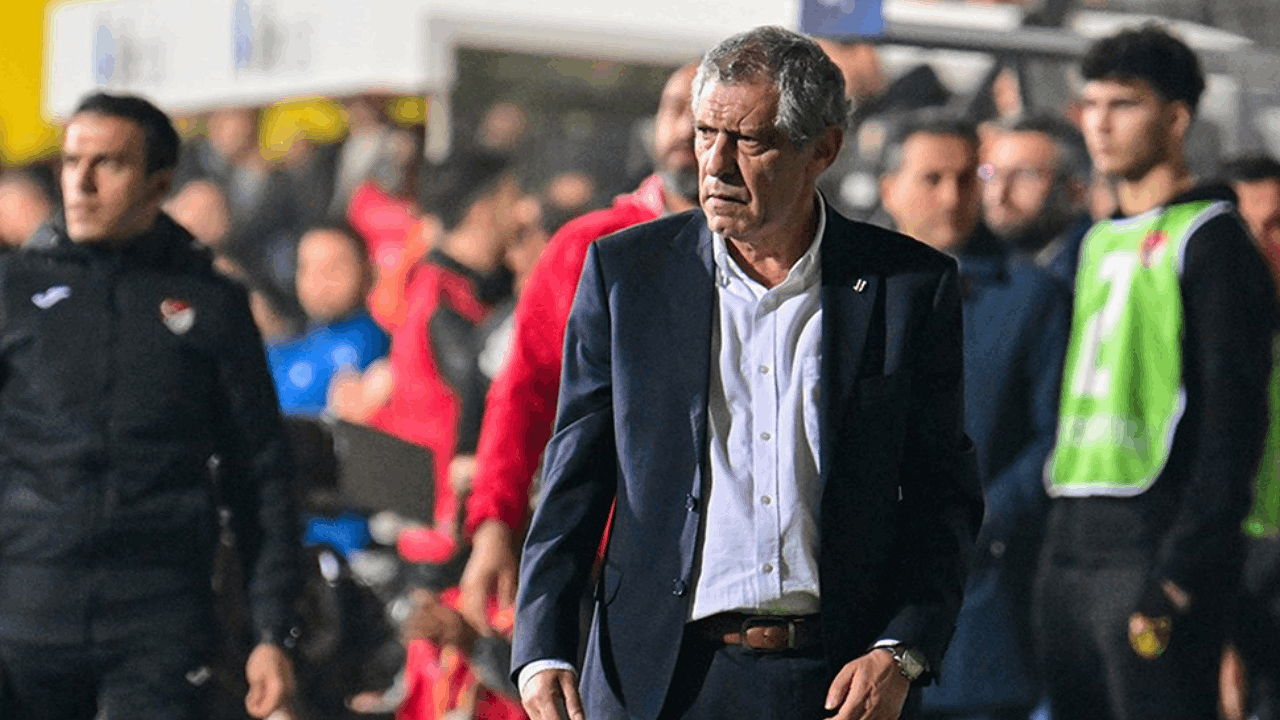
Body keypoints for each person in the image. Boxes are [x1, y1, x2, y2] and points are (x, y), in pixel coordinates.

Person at [513, 26, 982, 720]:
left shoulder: (908, 287)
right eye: (706, 133)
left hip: (837, 684)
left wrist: (902, 650)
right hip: (656, 680)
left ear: (822, 148)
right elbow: (575, 476)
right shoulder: (626, 276)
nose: (715, 164)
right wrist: (542, 647)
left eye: (750, 141)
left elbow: (943, 497)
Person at [0, 92, 300, 719]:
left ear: (159, 183)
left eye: (106, 164)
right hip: (25, 611)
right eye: (71, 161)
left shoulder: (212, 302)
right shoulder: (14, 289)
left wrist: (272, 630)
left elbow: (261, 474)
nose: (81, 183)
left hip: (157, 621)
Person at [1034, 26, 1276, 720]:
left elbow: (1234, 423)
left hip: (1151, 543)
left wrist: (1180, 571)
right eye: (1090, 104)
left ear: (1176, 118)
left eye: (1124, 104)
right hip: (1071, 543)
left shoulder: (1214, 240)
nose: (1099, 123)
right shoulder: (1096, 240)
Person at [456, 62, 700, 630]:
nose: (686, 127)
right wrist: (493, 525)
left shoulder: (772, 254)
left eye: (705, 113)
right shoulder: (589, 244)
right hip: (607, 566)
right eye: (674, 108)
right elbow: (525, 387)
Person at [879, 113, 1070, 720]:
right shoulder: (846, 289)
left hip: (979, 612)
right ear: (889, 188)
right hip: (855, 611)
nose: (953, 197)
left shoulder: (1032, 297)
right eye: (932, 178)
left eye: (968, 178)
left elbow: (1058, 436)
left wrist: (977, 521)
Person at [265, 221, 389, 416]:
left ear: (368, 271)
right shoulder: (285, 347)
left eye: (333, 269)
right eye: (306, 268)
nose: (319, 282)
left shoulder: (373, 340)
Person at [979, 114, 1093, 287]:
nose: (998, 195)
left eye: (1024, 175)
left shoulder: (1099, 269)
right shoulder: (980, 268)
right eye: (990, 174)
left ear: (1076, 191)